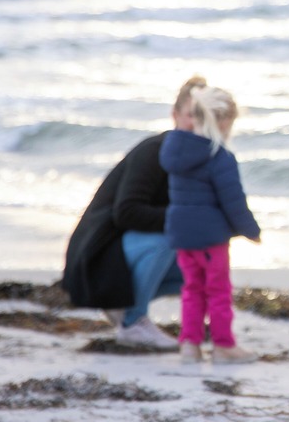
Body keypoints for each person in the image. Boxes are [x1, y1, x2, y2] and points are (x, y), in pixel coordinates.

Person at [61, 75, 207, 349]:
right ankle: (133, 322)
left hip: (125, 255)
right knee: (171, 235)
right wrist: (185, 218)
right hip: (95, 259)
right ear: (174, 115)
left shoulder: (202, 162)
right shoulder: (154, 152)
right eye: (191, 115)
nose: (197, 123)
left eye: (204, 115)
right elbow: (126, 213)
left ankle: (124, 309)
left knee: (204, 260)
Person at [160, 85, 261, 365]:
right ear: (225, 123)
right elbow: (233, 201)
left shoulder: (176, 150)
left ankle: (190, 346)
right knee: (218, 291)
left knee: (192, 289)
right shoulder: (219, 157)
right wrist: (251, 230)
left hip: (182, 235)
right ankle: (223, 345)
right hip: (210, 239)